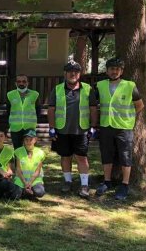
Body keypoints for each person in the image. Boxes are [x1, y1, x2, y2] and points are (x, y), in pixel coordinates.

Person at [95, 57, 144, 200]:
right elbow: (92, 103)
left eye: (117, 69)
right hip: (106, 126)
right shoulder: (100, 85)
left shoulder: (130, 85)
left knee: (125, 156)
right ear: (107, 70)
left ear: (121, 71)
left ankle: (124, 184)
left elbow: (139, 105)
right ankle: (107, 182)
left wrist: (129, 118)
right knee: (106, 154)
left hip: (124, 128)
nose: (114, 71)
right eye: (111, 69)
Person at [47, 61, 97, 198]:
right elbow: (51, 109)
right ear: (65, 74)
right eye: (70, 71)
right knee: (65, 156)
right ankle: (67, 181)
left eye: (75, 71)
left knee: (82, 157)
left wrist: (93, 126)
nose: (73, 74)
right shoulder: (57, 89)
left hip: (81, 130)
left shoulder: (88, 89)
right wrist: (51, 128)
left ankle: (84, 185)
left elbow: (93, 109)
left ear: (79, 74)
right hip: (62, 130)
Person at [6, 74, 40, 150]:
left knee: (30, 150)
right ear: (16, 83)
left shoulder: (35, 94)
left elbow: (38, 110)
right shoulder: (10, 95)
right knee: (17, 150)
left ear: (27, 83)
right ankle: (17, 162)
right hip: (15, 127)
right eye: (19, 81)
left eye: (24, 81)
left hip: (30, 127)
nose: (21, 83)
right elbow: (8, 111)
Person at [12, 129, 45, 200]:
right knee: (15, 195)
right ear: (23, 140)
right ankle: (26, 192)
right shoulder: (18, 151)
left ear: (35, 140)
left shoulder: (40, 152)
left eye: (31, 139)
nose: (28, 142)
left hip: (35, 180)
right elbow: (18, 169)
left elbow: (38, 171)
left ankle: (29, 192)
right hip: (21, 180)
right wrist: (25, 183)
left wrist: (29, 183)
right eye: (26, 139)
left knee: (40, 192)